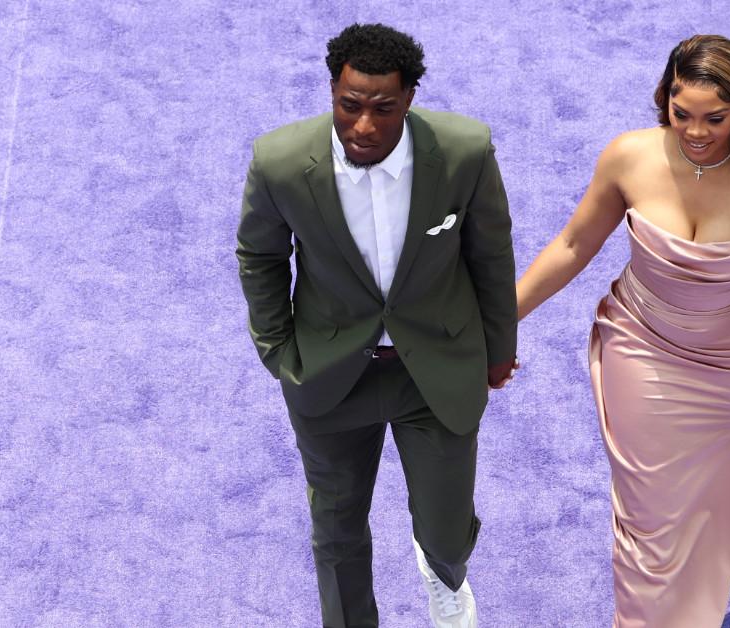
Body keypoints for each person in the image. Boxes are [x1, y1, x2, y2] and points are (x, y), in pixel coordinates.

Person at [515, 34, 730, 626]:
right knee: (647, 514)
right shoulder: (629, 157)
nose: (695, 131)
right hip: (642, 344)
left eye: (716, 117)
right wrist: (499, 320)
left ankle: (719, 549)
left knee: (715, 473)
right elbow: (573, 245)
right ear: (665, 97)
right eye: (680, 113)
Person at [235, 23, 517, 628]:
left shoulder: (465, 153)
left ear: (410, 98)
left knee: (445, 530)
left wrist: (498, 349)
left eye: (383, 109)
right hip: (331, 376)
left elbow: (490, 256)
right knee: (336, 532)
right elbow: (259, 257)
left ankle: (444, 575)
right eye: (349, 106)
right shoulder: (280, 162)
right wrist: (279, 350)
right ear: (332, 93)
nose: (363, 126)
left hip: (434, 371)